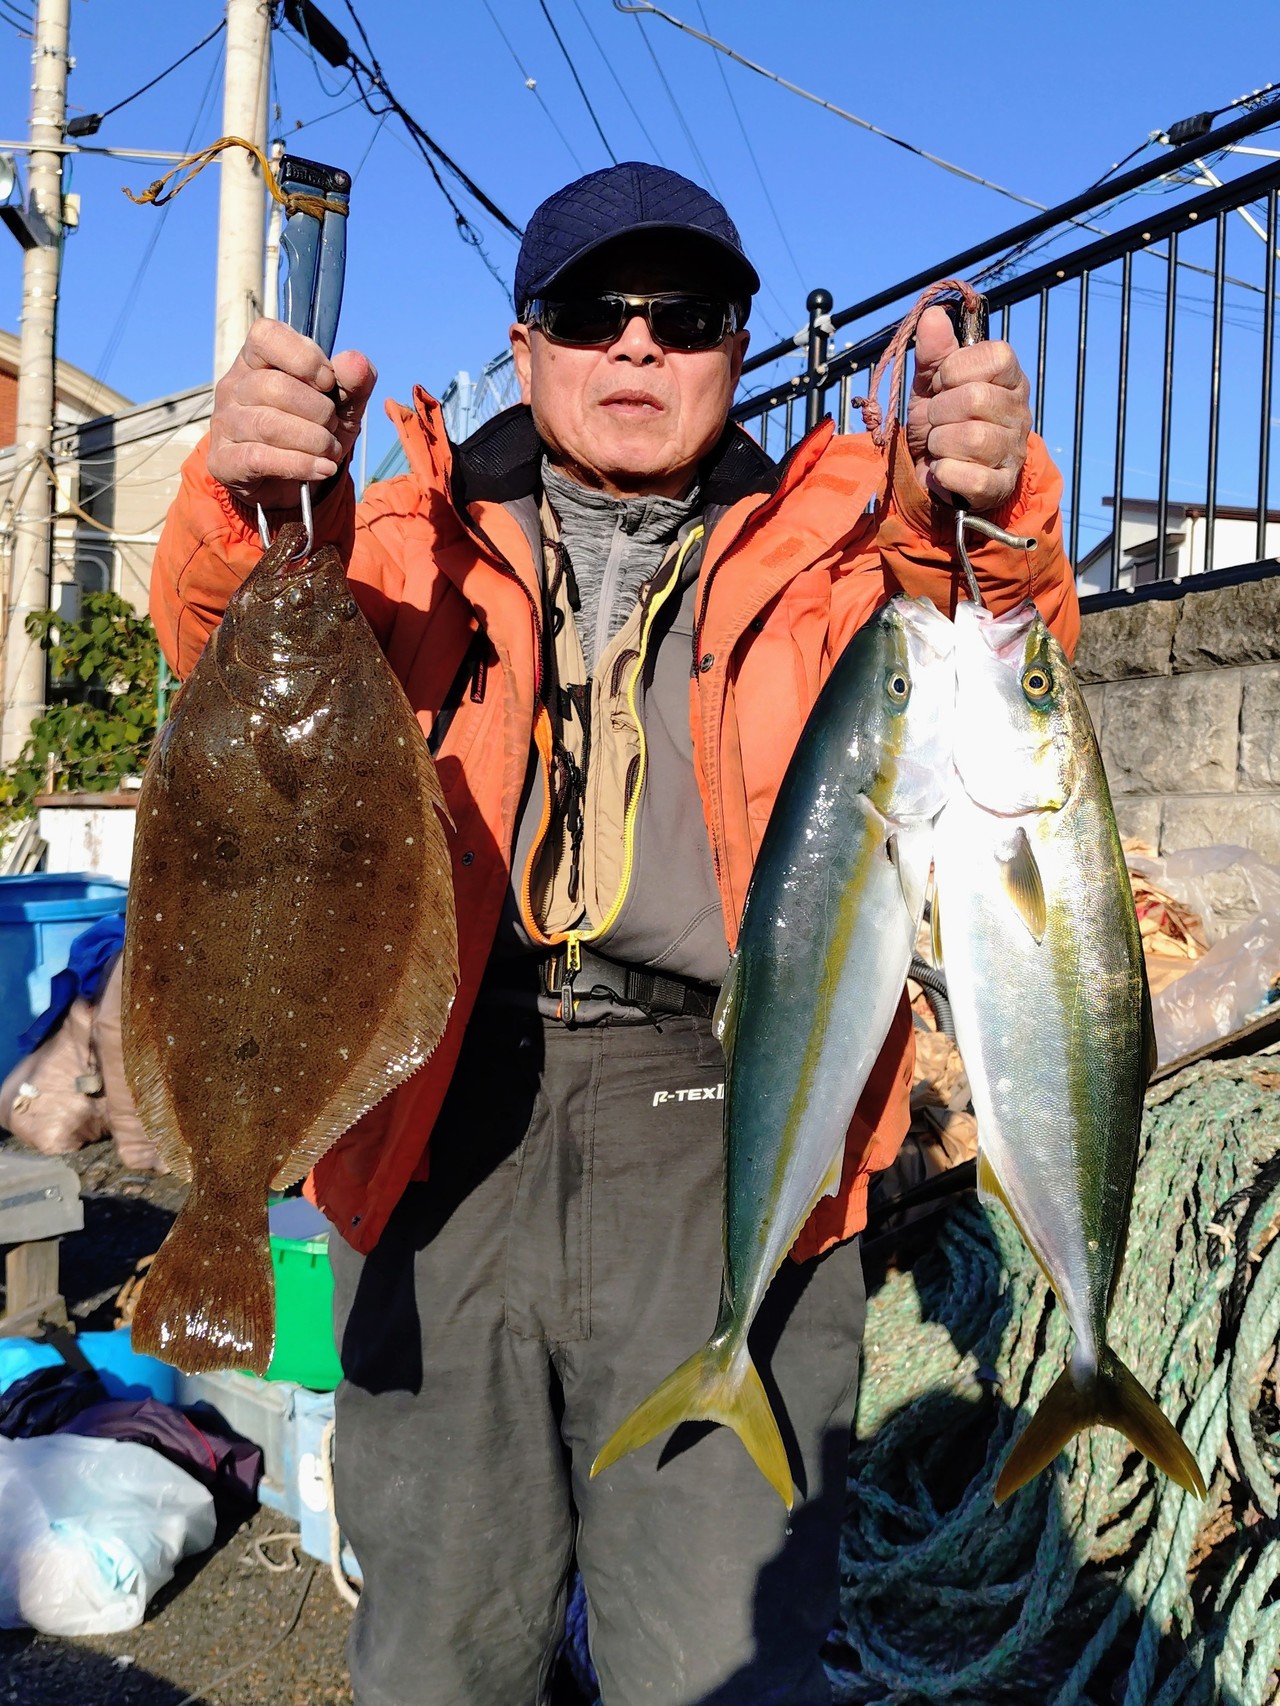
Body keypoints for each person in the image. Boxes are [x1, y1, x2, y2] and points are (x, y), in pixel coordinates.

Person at [150, 162, 1078, 1704]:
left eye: (685, 314)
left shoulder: (849, 547)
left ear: (736, 348)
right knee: (439, 1648)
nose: (638, 343)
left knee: (716, 1652)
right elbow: (224, 635)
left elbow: (1000, 646)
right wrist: (242, 496)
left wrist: (994, 504)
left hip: (732, 1108)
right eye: (593, 311)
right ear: (525, 348)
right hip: (439, 1112)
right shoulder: (404, 536)